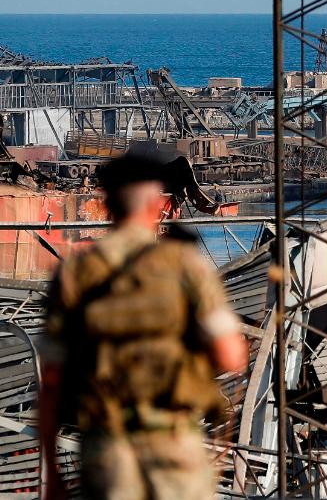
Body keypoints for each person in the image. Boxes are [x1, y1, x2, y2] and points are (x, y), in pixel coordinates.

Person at [38, 153, 248, 500]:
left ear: (106, 205)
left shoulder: (75, 275)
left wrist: (52, 474)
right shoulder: (184, 266)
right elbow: (230, 356)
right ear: (156, 203)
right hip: (175, 450)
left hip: (109, 455)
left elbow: (52, 384)